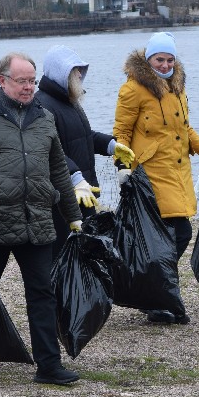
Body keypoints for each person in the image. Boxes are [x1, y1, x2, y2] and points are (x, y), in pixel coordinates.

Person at [0, 52, 85, 385]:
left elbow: (58, 171)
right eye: (22, 81)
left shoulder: (44, 118)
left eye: (32, 81)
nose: (29, 87)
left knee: (42, 294)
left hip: (36, 221)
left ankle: (48, 365)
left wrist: (73, 216)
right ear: (2, 80)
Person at [112, 31, 199, 325]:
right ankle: (157, 298)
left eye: (169, 59)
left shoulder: (178, 87)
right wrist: (122, 165)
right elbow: (121, 133)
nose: (164, 65)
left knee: (176, 236)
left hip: (176, 173)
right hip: (149, 175)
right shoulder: (133, 89)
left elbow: (186, 131)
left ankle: (154, 294)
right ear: (148, 59)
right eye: (159, 59)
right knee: (173, 236)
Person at [34, 44, 135, 258]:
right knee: (64, 257)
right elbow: (51, 150)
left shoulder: (69, 101)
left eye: (81, 69)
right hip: (62, 199)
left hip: (86, 193)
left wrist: (111, 145)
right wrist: (74, 178)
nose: (80, 74)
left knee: (85, 255)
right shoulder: (43, 105)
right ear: (60, 72)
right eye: (75, 70)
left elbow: (83, 136)